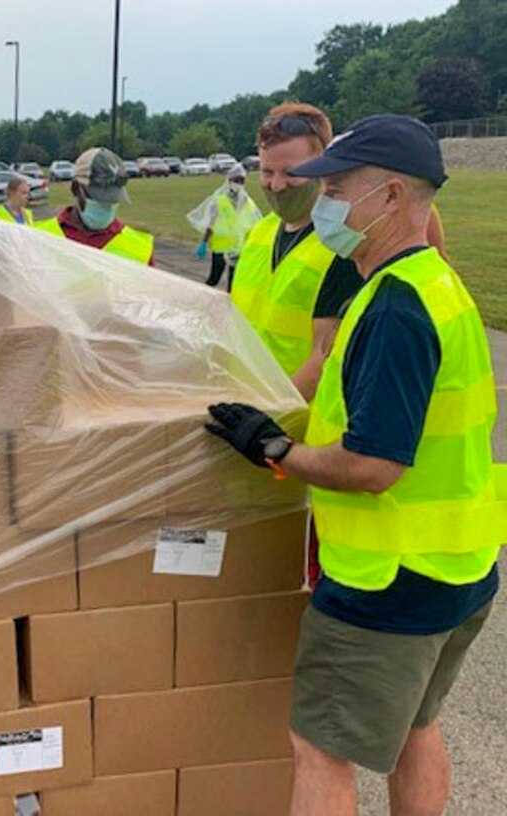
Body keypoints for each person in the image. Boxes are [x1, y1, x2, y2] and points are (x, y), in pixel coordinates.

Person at [205, 115, 503, 816]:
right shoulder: (433, 282)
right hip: (456, 565)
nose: (323, 204)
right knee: (416, 728)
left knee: (319, 748)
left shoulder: (396, 307)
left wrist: (274, 450)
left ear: (393, 197)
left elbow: (373, 465)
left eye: (336, 188)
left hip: (386, 578)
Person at [230, 104, 365, 400]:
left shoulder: (342, 246)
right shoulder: (260, 232)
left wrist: (269, 416)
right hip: (244, 406)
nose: (276, 186)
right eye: (267, 172)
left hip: (294, 422)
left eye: (292, 173)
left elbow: (325, 354)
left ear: (324, 166)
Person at [35, 147, 156, 266]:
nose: (107, 206)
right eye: (98, 198)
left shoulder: (140, 249)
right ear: (76, 189)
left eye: (113, 199)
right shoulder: (37, 237)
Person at [189, 163, 262, 291]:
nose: (239, 183)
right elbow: (210, 224)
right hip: (221, 247)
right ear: (229, 180)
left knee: (233, 284)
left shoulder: (247, 202)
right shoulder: (219, 201)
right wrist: (204, 242)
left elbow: (254, 223)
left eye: (241, 180)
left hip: (238, 247)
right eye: (236, 180)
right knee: (214, 279)